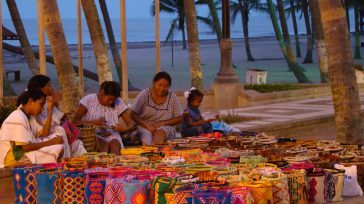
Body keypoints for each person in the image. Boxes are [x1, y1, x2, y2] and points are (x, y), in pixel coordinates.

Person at [25, 75, 86, 157]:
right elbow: (45, 133)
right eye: (49, 85)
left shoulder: (45, 101)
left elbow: (58, 118)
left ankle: (84, 161)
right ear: (40, 88)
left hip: (49, 136)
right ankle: (66, 162)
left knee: (76, 143)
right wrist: (52, 107)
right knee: (60, 130)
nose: (52, 88)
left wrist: (55, 104)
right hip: (40, 141)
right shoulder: (34, 105)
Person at [0, 89, 64, 168]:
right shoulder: (17, 117)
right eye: (41, 105)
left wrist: (50, 109)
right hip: (14, 160)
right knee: (58, 149)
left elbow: (44, 134)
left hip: (23, 154)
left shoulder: (27, 117)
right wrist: (51, 142)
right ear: (30, 101)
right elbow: (25, 147)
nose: (42, 109)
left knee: (58, 137)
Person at [72, 81, 134, 154]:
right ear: (102, 93)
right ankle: (103, 164)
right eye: (110, 99)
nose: (111, 102)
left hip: (112, 135)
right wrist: (94, 123)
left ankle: (116, 164)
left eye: (113, 100)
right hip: (92, 136)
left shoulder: (118, 102)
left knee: (115, 144)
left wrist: (124, 129)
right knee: (104, 146)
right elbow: (75, 121)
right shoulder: (88, 100)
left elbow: (131, 123)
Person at [130, 71, 183, 145]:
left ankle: (157, 155)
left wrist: (163, 123)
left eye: (166, 86)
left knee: (160, 134)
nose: (162, 88)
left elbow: (179, 117)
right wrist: (147, 125)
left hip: (166, 127)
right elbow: (132, 114)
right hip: (145, 126)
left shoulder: (172, 97)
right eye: (160, 85)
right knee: (146, 139)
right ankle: (148, 153)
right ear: (154, 83)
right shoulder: (145, 94)